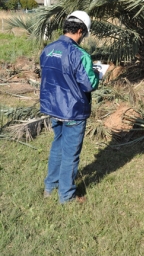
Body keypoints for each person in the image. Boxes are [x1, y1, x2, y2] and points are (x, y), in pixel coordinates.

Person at [40, 11, 99, 204]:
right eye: (84, 34)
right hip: (73, 111)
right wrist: (97, 74)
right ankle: (66, 196)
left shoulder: (48, 49)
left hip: (53, 109)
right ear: (80, 31)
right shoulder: (80, 55)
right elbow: (89, 84)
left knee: (57, 145)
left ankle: (50, 187)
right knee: (70, 154)